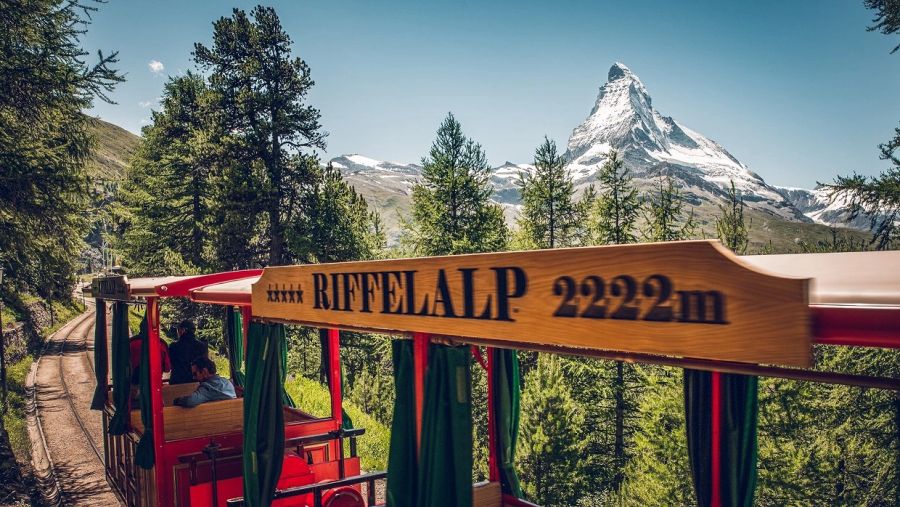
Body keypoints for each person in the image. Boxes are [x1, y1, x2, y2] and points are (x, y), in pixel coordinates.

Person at [129, 317, 171, 385]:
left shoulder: (131, 343)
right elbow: (167, 368)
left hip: (135, 383)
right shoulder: (161, 344)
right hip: (155, 384)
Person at [167, 320, 209, 384]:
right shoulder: (202, 346)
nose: (177, 332)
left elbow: (169, 365)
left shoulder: (174, 346)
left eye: (178, 329)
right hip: (198, 382)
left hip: (177, 382)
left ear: (183, 330)